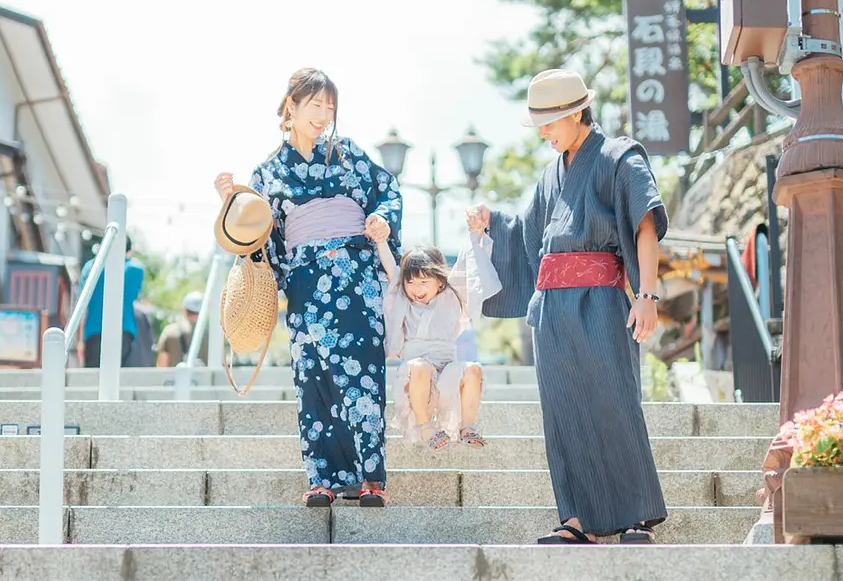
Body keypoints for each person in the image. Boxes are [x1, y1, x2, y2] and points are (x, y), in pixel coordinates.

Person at [468, 68, 667, 545]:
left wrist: (646, 296)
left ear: (577, 112)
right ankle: (578, 519)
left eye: (549, 122)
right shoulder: (549, 174)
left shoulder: (621, 155)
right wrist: (491, 220)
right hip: (550, 309)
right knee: (562, 412)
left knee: (614, 401)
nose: (543, 132)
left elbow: (643, 223)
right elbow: (527, 235)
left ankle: (636, 515)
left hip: (600, 299)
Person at [215, 67, 402, 508]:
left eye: (330, 108)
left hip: (355, 276)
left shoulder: (349, 154)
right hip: (304, 283)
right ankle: (322, 478)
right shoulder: (266, 172)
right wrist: (231, 201)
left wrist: (381, 219)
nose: (323, 115)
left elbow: (387, 190)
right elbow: (258, 235)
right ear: (291, 107)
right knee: (313, 377)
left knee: (361, 372)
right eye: (315, 105)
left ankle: (370, 477)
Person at [377, 231, 501, 450]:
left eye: (424, 281)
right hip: (414, 372)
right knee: (420, 366)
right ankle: (425, 427)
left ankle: (467, 427)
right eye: (411, 282)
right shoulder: (402, 298)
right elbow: (390, 267)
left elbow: (470, 266)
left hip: (446, 366)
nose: (416, 289)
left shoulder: (453, 295)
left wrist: (476, 235)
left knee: (474, 369)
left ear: (440, 281)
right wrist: (380, 240)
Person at [78, 235, 145, 368]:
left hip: (94, 329)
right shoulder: (136, 269)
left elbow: (82, 306)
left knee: (93, 379)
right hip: (123, 328)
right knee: (118, 376)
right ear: (129, 251)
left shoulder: (91, 267)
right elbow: (134, 295)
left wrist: (80, 340)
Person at [156, 291, 207, 367]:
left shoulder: (169, 331)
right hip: (206, 378)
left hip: (174, 378)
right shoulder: (213, 334)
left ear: (185, 310)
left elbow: (162, 366)